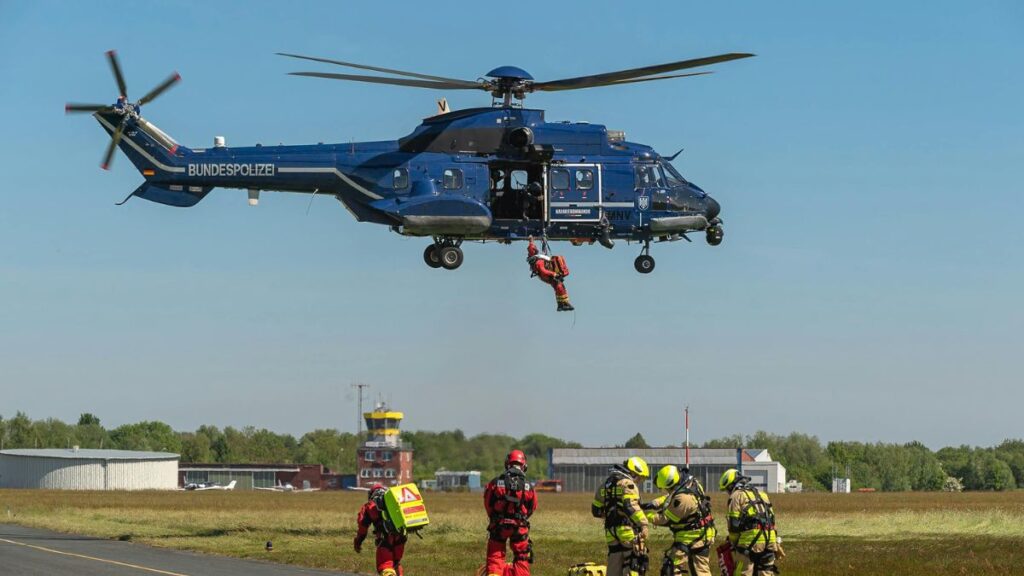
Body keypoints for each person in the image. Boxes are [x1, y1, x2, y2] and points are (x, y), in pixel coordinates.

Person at [645, 466, 716, 576]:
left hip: (690, 537)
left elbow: (665, 519)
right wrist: (656, 502)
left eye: (666, 488)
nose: (666, 490)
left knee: (671, 568)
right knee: (701, 570)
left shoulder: (683, 499)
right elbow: (672, 495)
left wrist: (646, 515)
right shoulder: (692, 483)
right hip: (703, 533)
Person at [592, 457, 651, 576]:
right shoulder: (628, 484)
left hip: (610, 531)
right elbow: (630, 506)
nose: (639, 481)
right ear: (634, 472)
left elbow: (596, 510)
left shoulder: (606, 484)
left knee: (614, 561)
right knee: (634, 562)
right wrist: (644, 524)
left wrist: (612, 513)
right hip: (627, 530)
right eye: (640, 477)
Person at [483, 449, 538, 576]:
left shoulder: (496, 483)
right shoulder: (528, 486)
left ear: (507, 463)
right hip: (519, 527)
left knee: (495, 556)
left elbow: (488, 503)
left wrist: (495, 518)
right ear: (524, 465)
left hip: (499, 525)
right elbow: (532, 507)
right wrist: (521, 518)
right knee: (521, 557)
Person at [720, 469, 781, 576]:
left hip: (750, 542)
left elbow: (734, 526)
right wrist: (775, 541)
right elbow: (772, 520)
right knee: (765, 573)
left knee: (742, 573)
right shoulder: (762, 494)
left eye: (727, 490)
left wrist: (733, 543)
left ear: (731, 486)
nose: (728, 493)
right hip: (770, 540)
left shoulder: (736, 496)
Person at [354, 484, 408, 576]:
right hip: (401, 537)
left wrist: (357, 542)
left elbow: (362, 529)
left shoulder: (370, 506)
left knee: (385, 566)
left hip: (385, 538)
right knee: (395, 563)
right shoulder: (395, 501)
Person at [526, 238, 573, 312]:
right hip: (547, 276)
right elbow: (543, 270)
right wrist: (554, 273)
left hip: (546, 276)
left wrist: (531, 240)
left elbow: (531, 246)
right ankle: (564, 303)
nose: (536, 249)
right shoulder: (538, 261)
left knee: (558, 287)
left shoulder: (536, 259)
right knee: (559, 286)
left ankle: (561, 304)